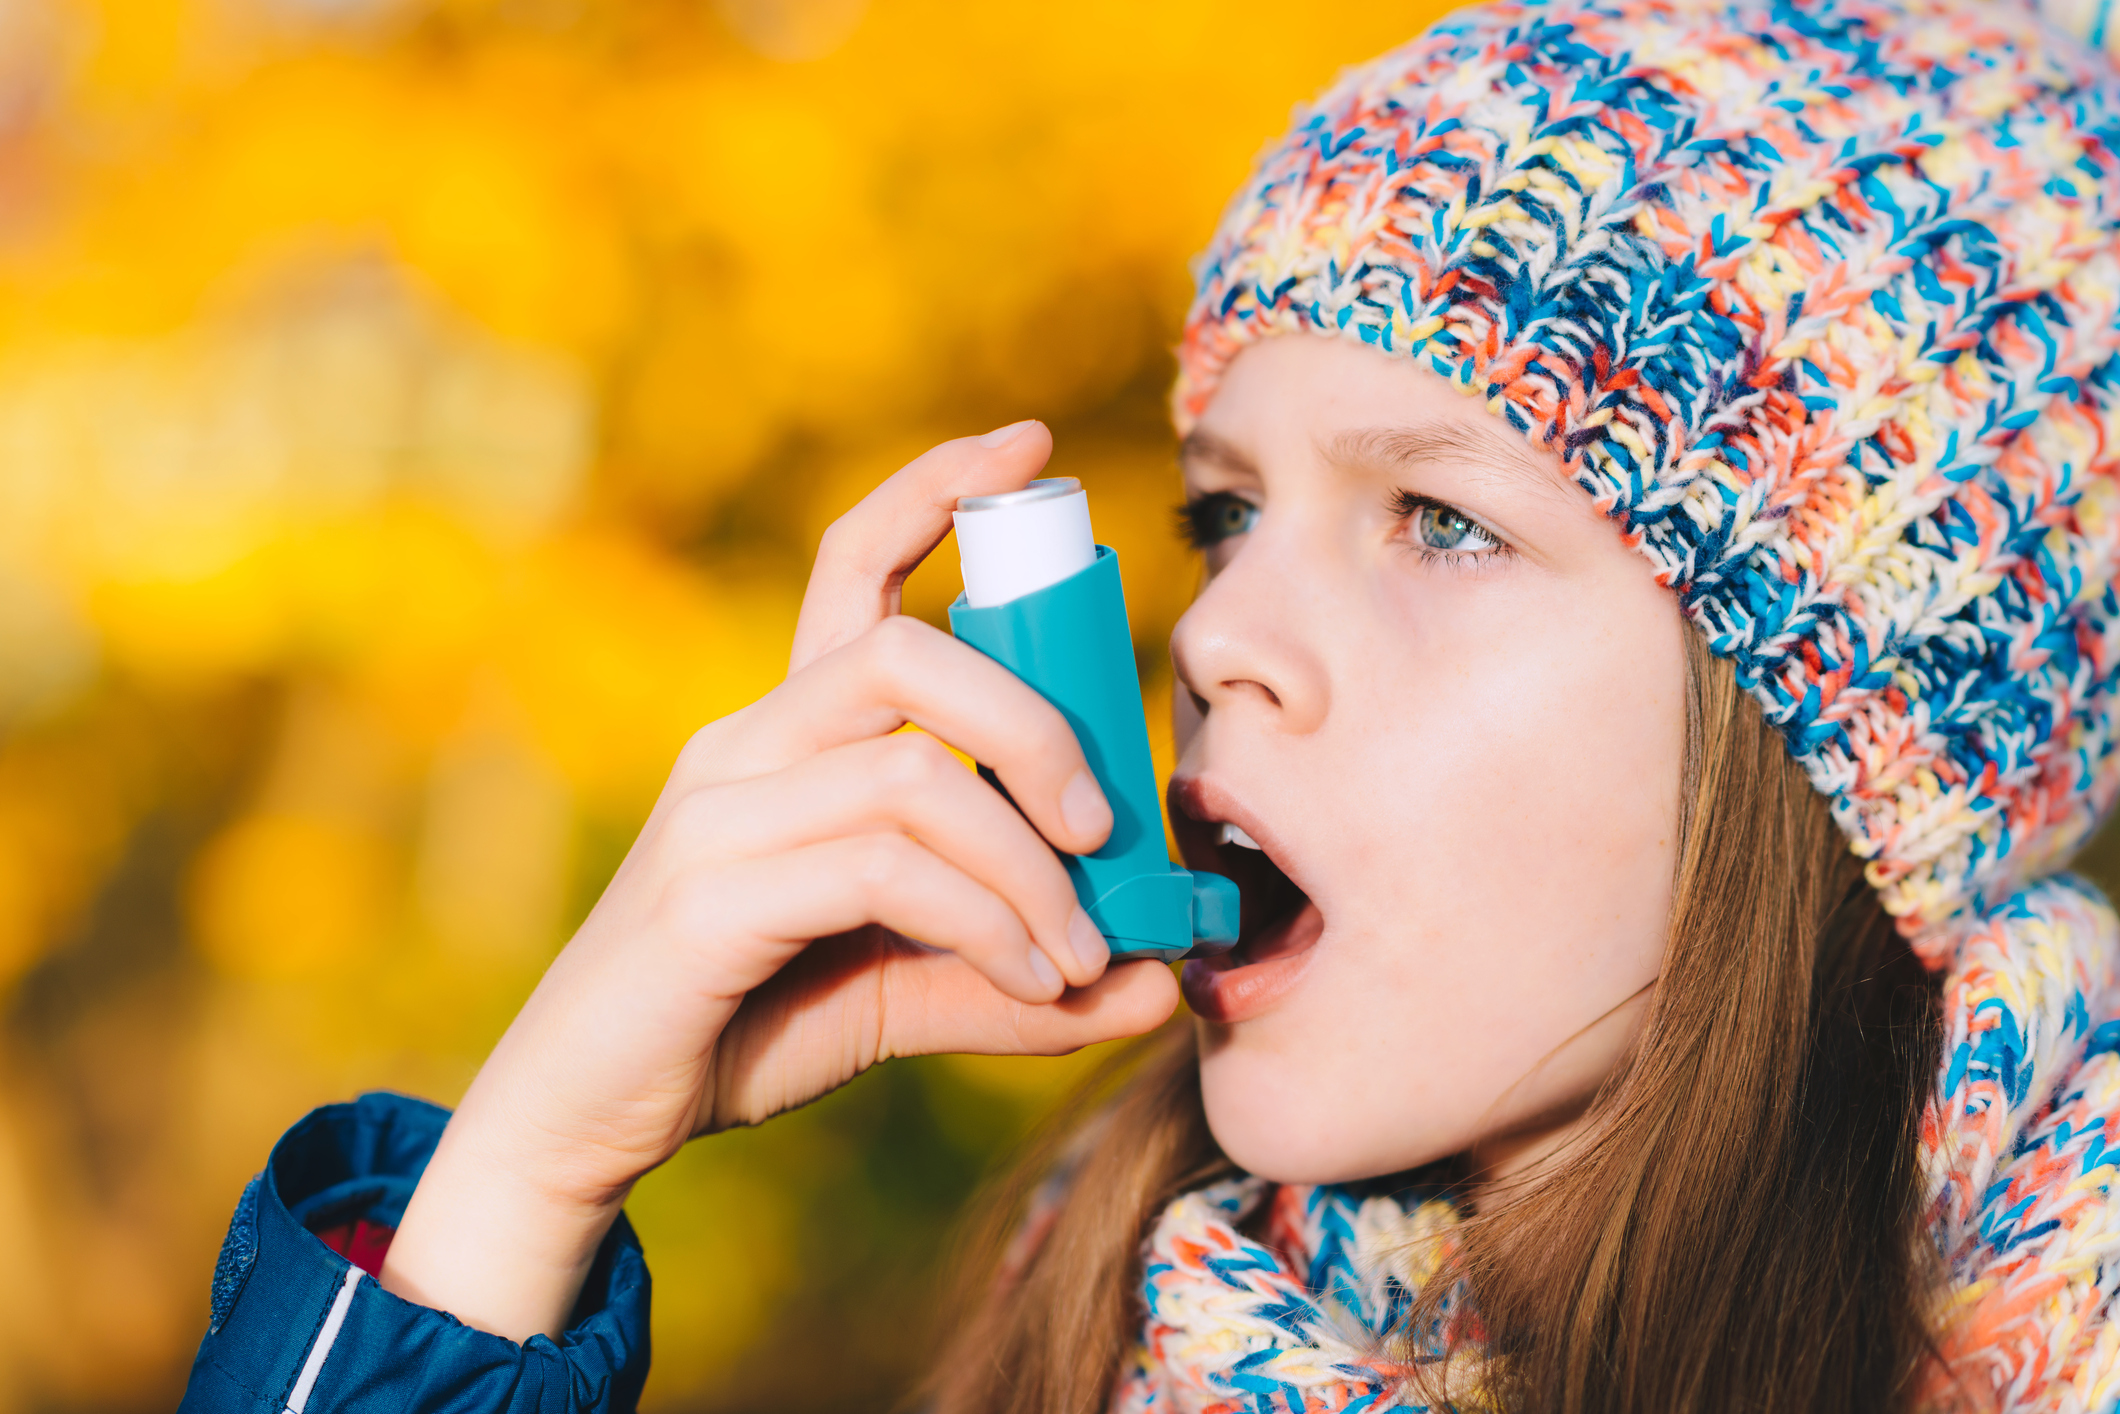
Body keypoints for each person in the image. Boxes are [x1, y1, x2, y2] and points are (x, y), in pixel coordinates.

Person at [178, 0, 2120, 1408]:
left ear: (1879, 738)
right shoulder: (1112, 1323)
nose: (1212, 635)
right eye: (1225, 513)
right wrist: (518, 1183)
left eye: (1437, 515)